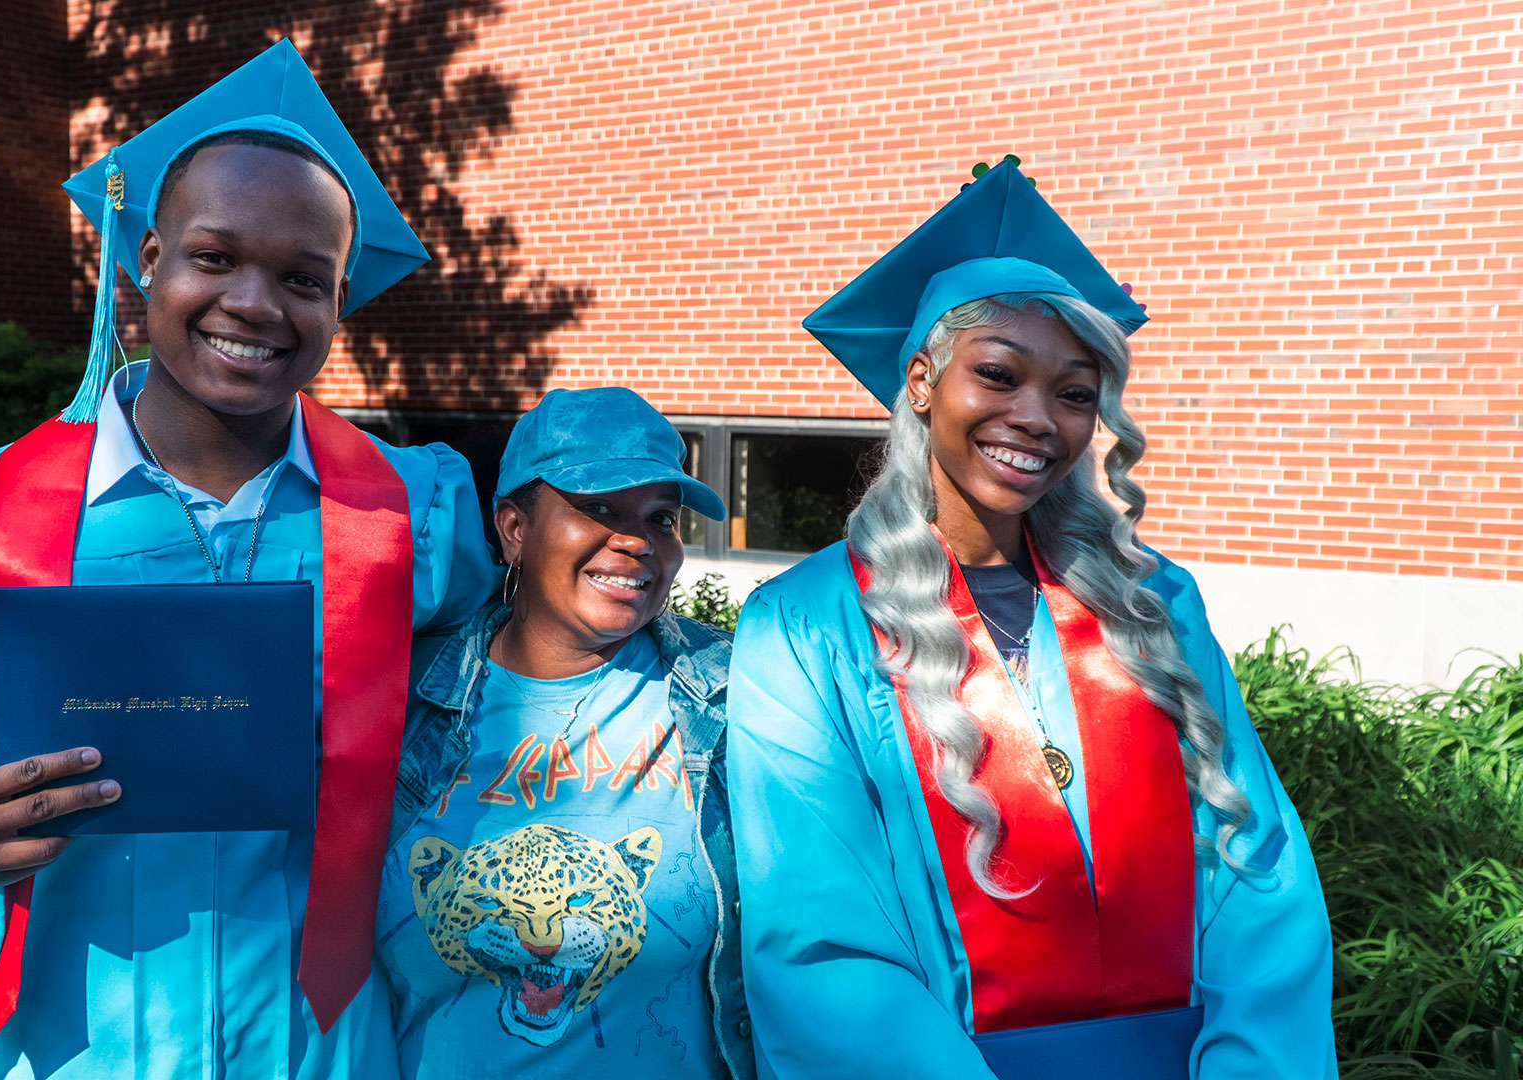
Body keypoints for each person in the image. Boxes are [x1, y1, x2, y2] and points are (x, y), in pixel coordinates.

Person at [0, 40, 495, 1078]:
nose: (255, 304)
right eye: (215, 256)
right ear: (147, 258)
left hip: (316, 1046)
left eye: (301, 278)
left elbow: (528, 679)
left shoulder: (412, 518)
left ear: (335, 303)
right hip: (59, 1044)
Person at [728, 157, 1337, 1079]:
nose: (1037, 417)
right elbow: (819, 943)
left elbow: (1256, 871)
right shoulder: (806, 626)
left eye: (1075, 392)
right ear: (923, 380)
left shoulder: (1152, 604)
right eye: (999, 374)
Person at [373, 386, 755, 1079]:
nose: (637, 540)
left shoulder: (738, 694)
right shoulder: (398, 701)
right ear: (514, 529)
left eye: (661, 517)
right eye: (598, 509)